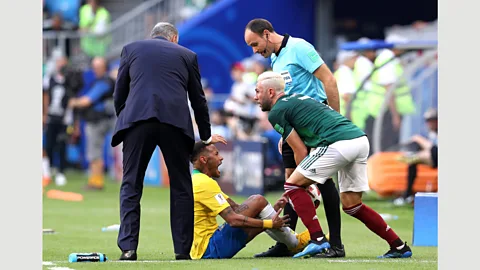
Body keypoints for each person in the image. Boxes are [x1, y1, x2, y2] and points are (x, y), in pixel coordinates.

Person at [254, 71, 413, 259]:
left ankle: (318, 239)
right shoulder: (298, 98)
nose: (255, 97)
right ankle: (399, 246)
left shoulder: (277, 112)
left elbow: (300, 151)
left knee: (292, 184)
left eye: (258, 91)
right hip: (359, 140)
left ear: (271, 92)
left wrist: (305, 184)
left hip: (337, 143)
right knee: (352, 205)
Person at [111, 22, 227, 261]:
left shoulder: (131, 49)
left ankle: (128, 248)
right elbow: (198, 99)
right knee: (181, 186)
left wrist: (125, 114)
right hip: (174, 123)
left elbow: (119, 92)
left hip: (137, 121)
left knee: (131, 184)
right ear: (174, 38)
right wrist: (205, 135)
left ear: (152, 36)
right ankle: (182, 251)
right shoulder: (187, 55)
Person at [244, 18, 344, 258]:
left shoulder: (300, 48)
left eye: (255, 44)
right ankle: (287, 242)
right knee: (292, 182)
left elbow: (328, 80)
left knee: (322, 181)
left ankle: (336, 244)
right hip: (292, 126)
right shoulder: (275, 59)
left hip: (314, 124)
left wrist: (334, 122)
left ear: (267, 34)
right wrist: (284, 132)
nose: (255, 51)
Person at [189, 141, 310, 259]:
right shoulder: (204, 183)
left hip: (207, 248)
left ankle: (293, 243)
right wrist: (269, 223)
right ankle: (296, 243)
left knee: (257, 205)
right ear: (204, 160)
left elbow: (237, 209)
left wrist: (272, 210)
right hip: (210, 248)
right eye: (216, 154)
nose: (221, 158)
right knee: (257, 200)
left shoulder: (199, 180)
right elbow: (233, 220)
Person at [68, 57, 115, 191]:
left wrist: (73, 102)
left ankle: (96, 182)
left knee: (94, 151)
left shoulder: (103, 82)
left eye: (98, 66)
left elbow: (87, 101)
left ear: (104, 68)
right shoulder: (103, 81)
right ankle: (95, 180)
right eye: (94, 66)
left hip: (98, 121)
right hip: (101, 120)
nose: (95, 69)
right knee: (94, 151)